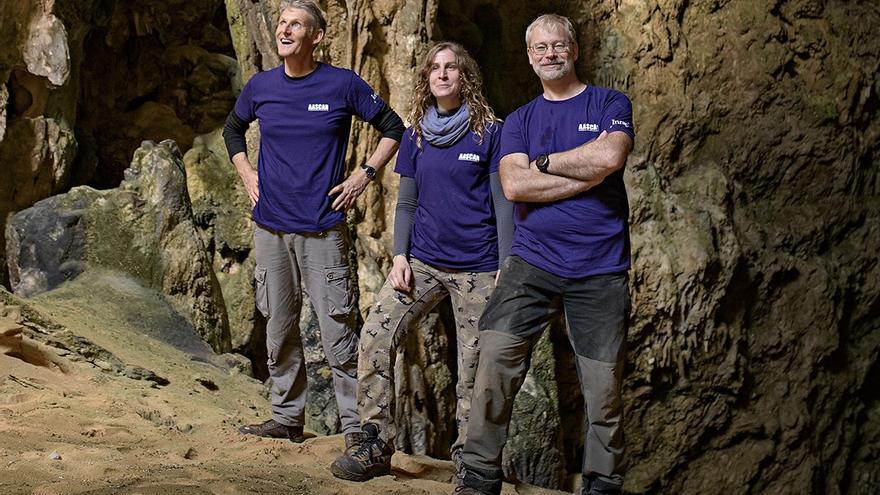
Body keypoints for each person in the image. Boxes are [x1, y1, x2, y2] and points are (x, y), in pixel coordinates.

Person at [454, 13, 636, 495]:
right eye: (540, 48)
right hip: (532, 264)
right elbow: (514, 185)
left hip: (600, 268)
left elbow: (610, 158)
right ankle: (479, 473)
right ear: (530, 58)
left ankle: (602, 482)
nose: (550, 54)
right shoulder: (519, 120)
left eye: (558, 45)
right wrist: (580, 170)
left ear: (573, 51)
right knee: (494, 356)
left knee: (604, 387)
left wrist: (545, 164)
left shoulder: (609, 103)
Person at [222, 0, 405, 454]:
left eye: (296, 24)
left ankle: (355, 432)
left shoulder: (341, 84)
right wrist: (246, 172)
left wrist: (365, 173)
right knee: (279, 326)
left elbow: (393, 126)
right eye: (282, 23)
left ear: (316, 37)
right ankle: (286, 418)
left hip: (322, 228)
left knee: (338, 332)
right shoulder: (261, 86)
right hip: (271, 228)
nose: (285, 29)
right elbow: (233, 129)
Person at [329, 41, 513, 482]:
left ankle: (472, 462)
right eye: (435, 68)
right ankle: (375, 443)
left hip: (479, 267)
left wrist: (507, 264)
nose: (443, 74)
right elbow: (407, 203)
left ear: (464, 75)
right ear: (427, 78)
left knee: (474, 367)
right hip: (424, 263)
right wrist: (399, 256)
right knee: (375, 337)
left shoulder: (490, 130)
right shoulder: (415, 135)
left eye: (452, 67)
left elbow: (503, 201)